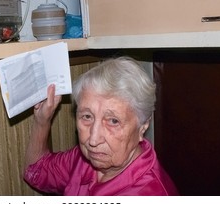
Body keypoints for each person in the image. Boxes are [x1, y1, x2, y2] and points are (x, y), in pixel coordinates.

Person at [24, 56, 178, 196]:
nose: (93, 139)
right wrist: (42, 121)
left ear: (143, 125)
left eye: (113, 121)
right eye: (87, 117)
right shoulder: (83, 159)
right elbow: (36, 172)